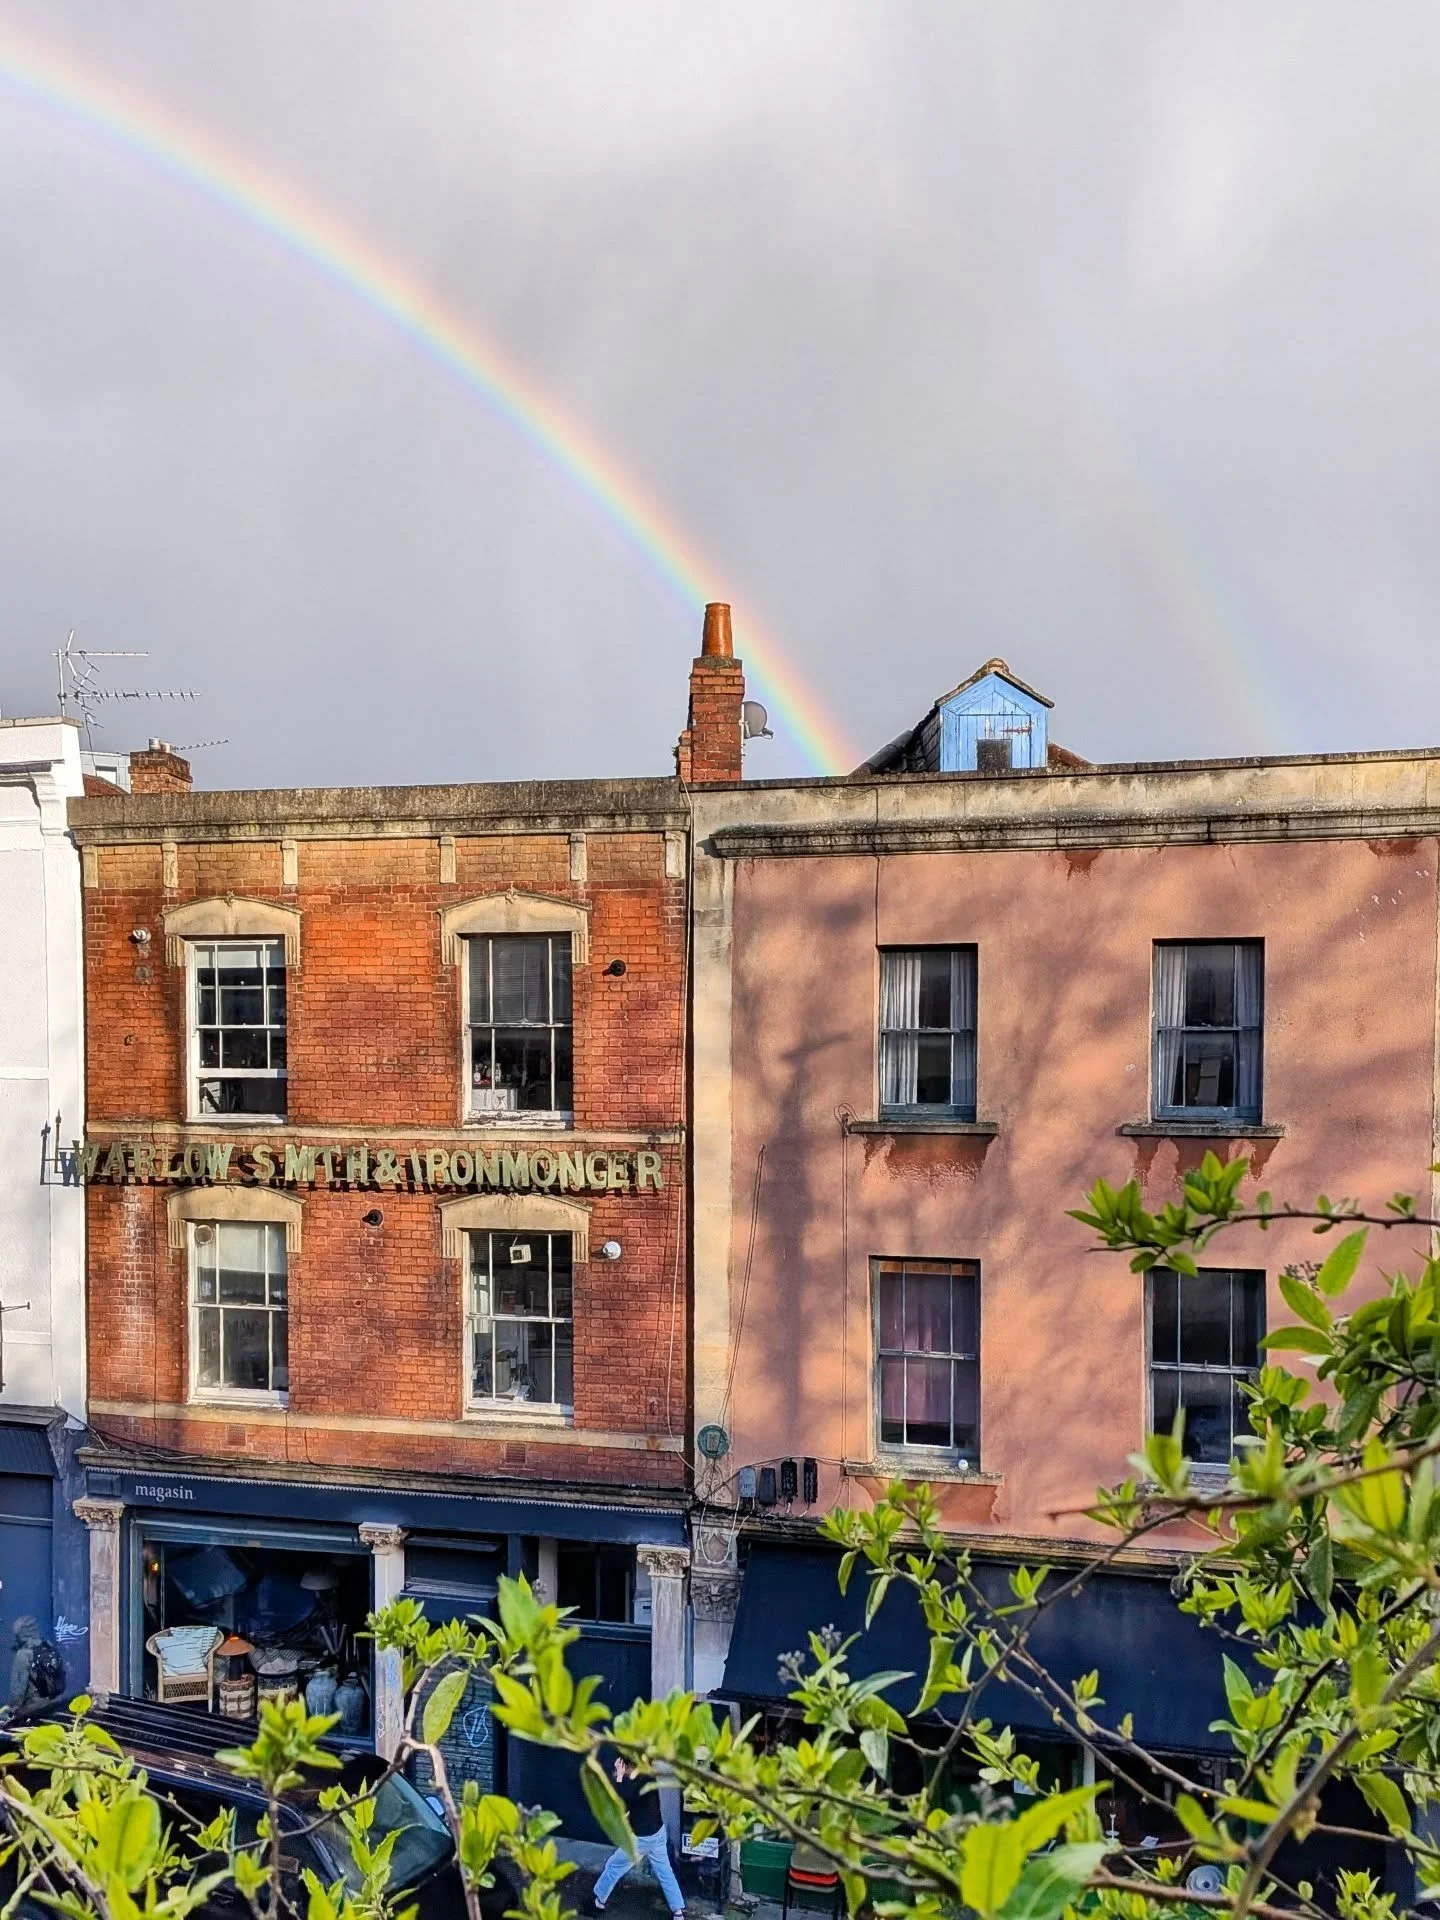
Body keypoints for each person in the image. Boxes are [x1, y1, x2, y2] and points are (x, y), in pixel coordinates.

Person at [588, 1753, 686, 1918]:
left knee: (614, 1866)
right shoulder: (648, 1777)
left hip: (641, 1838)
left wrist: (619, 1777)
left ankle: (598, 1902)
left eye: (623, 1768)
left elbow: (622, 1798)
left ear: (629, 1767)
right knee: (665, 1873)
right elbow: (635, 1804)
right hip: (658, 1833)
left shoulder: (635, 1783)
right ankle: (678, 1912)